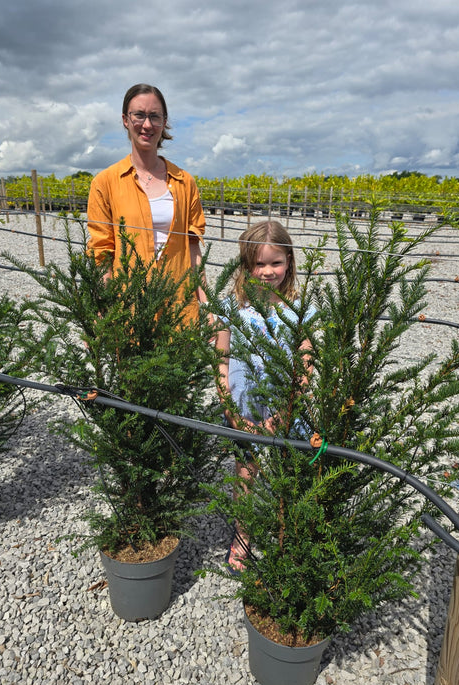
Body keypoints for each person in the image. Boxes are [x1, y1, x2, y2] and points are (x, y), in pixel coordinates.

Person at [215, 220, 314, 573]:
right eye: (259, 263)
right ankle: (242, 535)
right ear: (245, 264)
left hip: (285, 409)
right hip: (244, 409)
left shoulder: (300, 308)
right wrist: (230, 408)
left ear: (289, 262)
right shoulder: (231, 306)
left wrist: (288, 408)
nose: (268, 271)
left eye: (276, 262)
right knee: (246, 470)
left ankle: (287, 535)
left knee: (290, 469)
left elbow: (306, 361)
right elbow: (221, 359)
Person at [87, 83, 206, 320]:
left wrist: (206, 303)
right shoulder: (105, 183)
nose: (147, 124)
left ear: (164, 121)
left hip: (180, 305)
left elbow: (193, 249)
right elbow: (102, 253)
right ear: (125, 119)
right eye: (139, 115)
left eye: (155, 116)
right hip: (129, 306)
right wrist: (104, 308)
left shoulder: (185, 182)